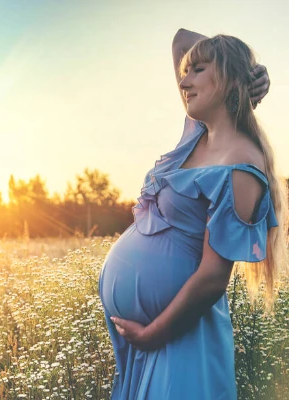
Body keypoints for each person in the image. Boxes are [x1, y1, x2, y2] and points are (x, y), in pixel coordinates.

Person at [98, 28, 288, 399]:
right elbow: (182, 39)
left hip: (178, 336)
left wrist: (151, 335)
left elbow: (212, 279)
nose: (183, 80)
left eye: (197, 70)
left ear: (227, 77)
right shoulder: (198, 135)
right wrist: (251, 68)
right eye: (185, 71)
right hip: (150, 338)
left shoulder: (242, 166)